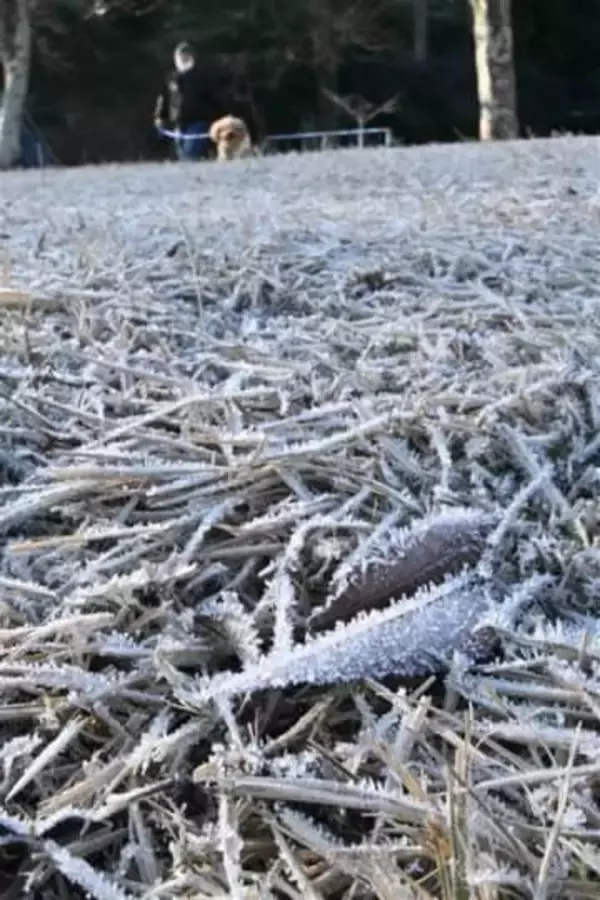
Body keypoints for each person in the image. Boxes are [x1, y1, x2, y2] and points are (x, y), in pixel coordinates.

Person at [154, 42, 218, 161]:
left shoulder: (201, 77)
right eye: (180, 56)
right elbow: (164, 98)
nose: (183, 59)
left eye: (186, 56)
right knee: (180, 155)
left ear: (192, 57)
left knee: (191, 154)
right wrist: (159, 117)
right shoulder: (171, 78)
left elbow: (214, 99)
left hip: (198, 123)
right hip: (177, 124)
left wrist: (218, 119)